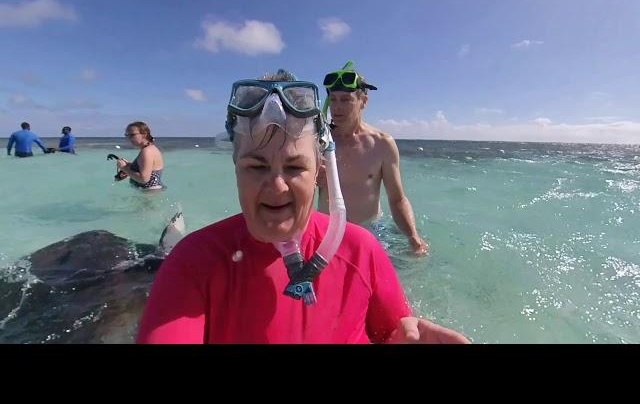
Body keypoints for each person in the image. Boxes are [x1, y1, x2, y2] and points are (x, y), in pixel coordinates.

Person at [136, 70, 468, 344]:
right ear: (235, 164)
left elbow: (394, 335)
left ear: (320, 171)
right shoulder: (192, 263)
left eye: (295, 168)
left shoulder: (362, 253)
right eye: (256, 166)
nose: (277, 185)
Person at [317, 61, 429, 255]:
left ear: (363, 102)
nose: (337, 107)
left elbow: (397, 199)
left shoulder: (382, 144)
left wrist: (412, 236)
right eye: (333, 99)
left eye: (345, 100)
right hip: (327, 233)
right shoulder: (318, 142)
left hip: (370, 232)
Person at [116, 121, 165, 190]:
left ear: (144, 134)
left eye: (132, 135)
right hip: (151, 191)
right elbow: (146, 169)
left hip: (149, 193)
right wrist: (130, 166)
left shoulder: (147, 151)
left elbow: (144, 179)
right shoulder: (151, 149)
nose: (129, 138)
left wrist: (124, 168)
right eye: (127, 135)